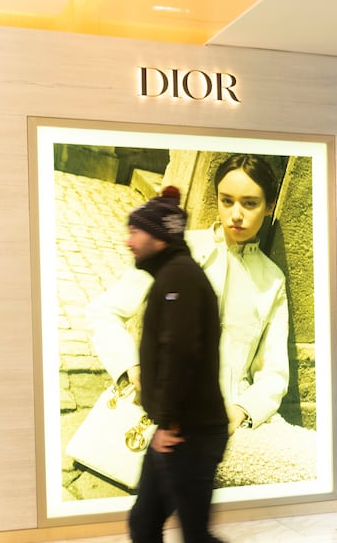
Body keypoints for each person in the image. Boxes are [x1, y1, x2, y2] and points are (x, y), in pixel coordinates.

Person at [89, 154, 311, 486]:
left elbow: (274, 372)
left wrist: (243, 410)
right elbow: (103, 312)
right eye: (227, 201)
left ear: (268, 207)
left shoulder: (273, 280)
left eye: (249, 204)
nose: (235, 214)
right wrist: (131, 369)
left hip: (228, 424)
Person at [123, 186, 229, 543]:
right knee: (144, 522)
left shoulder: (178, 278)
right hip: (179, 430)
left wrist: (168, 423)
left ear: (159, 235)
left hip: (189, 434)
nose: (128, 241)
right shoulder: (172, 276)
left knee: (194, 535)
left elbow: (180, 352)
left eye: (135, 232)